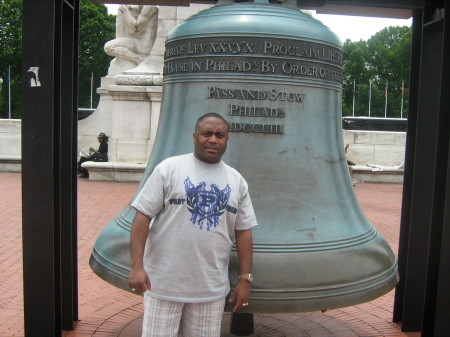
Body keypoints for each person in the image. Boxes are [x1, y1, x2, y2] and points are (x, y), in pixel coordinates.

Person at [128, 113, 257, 337]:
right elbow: (142, 218)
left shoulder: (236, 181)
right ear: (195, 136)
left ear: (227, 140)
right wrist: (136, 266)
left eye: (220, 135)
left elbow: (244, 233)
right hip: (162, 284)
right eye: (207, 133)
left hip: (210, 289)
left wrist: (245, 279)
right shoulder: (168, 169)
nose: (213, 140)